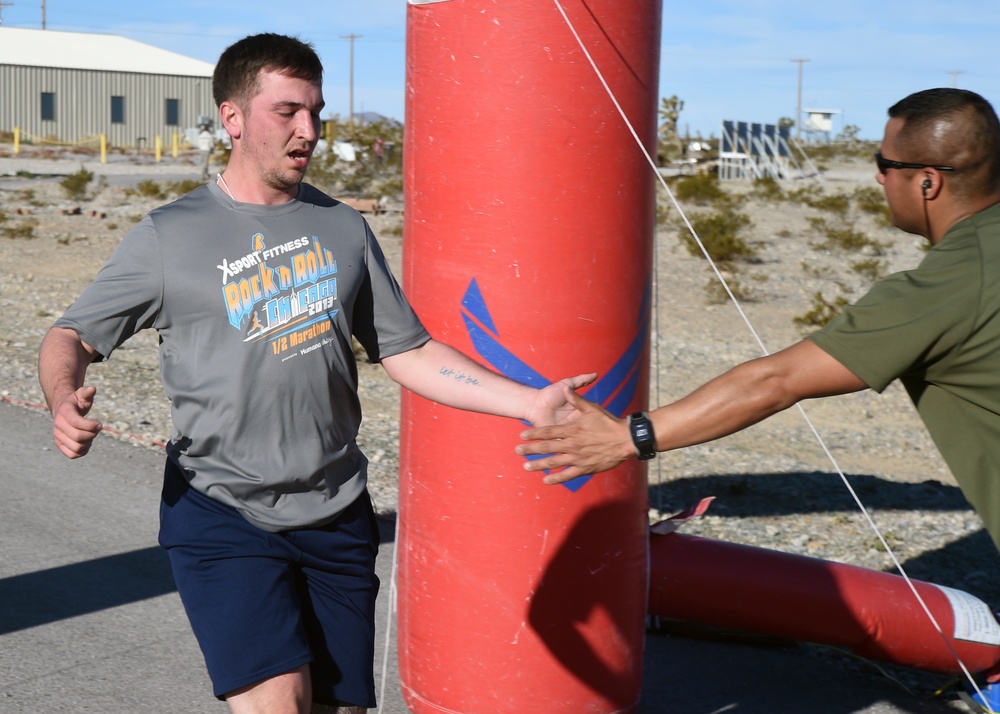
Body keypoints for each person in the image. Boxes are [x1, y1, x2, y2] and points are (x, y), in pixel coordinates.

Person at [38, 33, 592, 714]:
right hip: (222, 509)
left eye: (316, 112)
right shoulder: (169, 236)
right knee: (280, 701)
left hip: (336, 513)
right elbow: (71, 334)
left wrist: (528, 402)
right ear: (233, 117)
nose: (310, 131)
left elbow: (408, 350)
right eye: (288, 111)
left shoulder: (342, 228)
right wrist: (63, 397)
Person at [518, 87, 1000, 554]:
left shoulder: (952, 283)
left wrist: (628, 437)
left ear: (928, 181)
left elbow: (775, 381)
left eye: (884, 164)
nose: (878, 178)